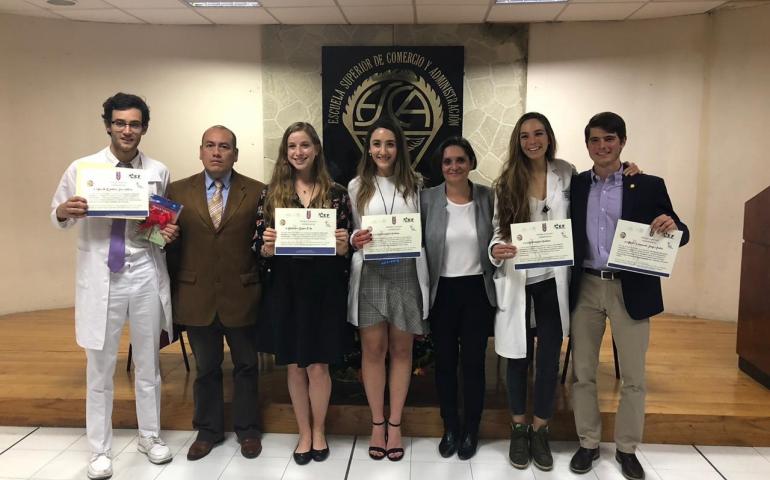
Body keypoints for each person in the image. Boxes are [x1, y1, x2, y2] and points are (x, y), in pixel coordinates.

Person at [490, 112, 640, 471]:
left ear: (548, 137)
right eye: (525, 135)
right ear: (518, 140)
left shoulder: (567, 173)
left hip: (553, 282)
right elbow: (498, 230)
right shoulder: (506, 181)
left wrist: (628, 170)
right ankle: (518, 427)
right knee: (516, 357)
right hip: (519, 280)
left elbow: (602, 180)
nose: (532, 141)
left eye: (538, 133)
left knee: (547, 361)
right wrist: (497, 249)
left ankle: (540, 429)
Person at [50, 93, 178, 480]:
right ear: (107, 125)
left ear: (144, 128)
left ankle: (150, 437)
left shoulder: (158, 170)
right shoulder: (82, 168)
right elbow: (58, 213)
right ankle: (100, 449)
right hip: (101, 275)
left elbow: (157, 228)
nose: (127, 130)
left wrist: (166, 233)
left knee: (148, 363)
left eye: (135, 124)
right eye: (120, 123)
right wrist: (63, 211)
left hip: (143, 274)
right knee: (100, 368)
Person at [567, 112, 689, 480]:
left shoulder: (648, 184)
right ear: (587, 144)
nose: (602, 146)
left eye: (609, 139)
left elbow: (680, 231)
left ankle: (626, 448)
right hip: (585, 285)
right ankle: (588, 443)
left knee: (634, 376)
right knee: (583, 372)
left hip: (629, 287)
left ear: (622, 141)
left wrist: (675, 227)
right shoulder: (575, 186)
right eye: (595, 140)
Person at [165, 126, 265, 461]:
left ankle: (248, 430)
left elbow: (263, 242)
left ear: (236, 153)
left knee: (246, 365)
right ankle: (207, 431)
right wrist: (162, 236)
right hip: (197, 295)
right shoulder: (176, 190)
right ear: (200, 151)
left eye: (224, 146)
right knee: (206, 368)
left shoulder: (257, 191)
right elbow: (161, 240)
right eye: (210, 145)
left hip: (243, 293)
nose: (217, 152)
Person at [255, 122, 351, 465]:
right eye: (292, 146)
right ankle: (303, 432)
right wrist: (267, 247)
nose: (299, 152)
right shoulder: (271, 194)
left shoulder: (337, 193)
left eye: (305, 145)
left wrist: (343, 247)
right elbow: (257, 248)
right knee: (295, 365)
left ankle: (320, 429)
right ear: (285, 152)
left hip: (324, 289)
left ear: (316, 150)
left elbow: (349, 247)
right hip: (287, 289)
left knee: (319, 365)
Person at [348, 117, 429, 461]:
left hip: (406, 273)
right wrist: (355, 239)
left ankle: (395, 424)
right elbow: (350, 233)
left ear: (400, 149)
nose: (383, 150)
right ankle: (376, 423)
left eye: (390, 144)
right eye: (378, 144)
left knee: (401, 352)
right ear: (369, 148)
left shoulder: (417, 185)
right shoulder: (356, 187)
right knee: (372, 351)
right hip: (371, 274)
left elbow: (425, 231)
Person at [420, 137, 496, 460]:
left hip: (477, 290)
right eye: (447, 162)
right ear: (441, 167)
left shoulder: (488, 197)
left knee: (474, 364)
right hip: (442, 292)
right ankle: (450, 426)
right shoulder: (427, 200)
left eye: (460, 160)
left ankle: (471, 428)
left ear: (471, 163)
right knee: (446, 364)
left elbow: (501, 235)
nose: (454, 167)